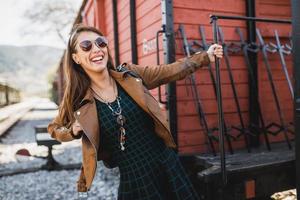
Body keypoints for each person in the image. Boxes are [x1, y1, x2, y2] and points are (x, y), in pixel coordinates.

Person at [47, 23, 223, 200]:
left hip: (166, 164)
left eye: (101, 42)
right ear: (76, 58)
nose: (96, 49)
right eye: (86, 46)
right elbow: (54, 128)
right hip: (135, 179)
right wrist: (72, 131)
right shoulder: (78, 100)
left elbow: (168, 71)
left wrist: (205, 57)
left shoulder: (130, 75)